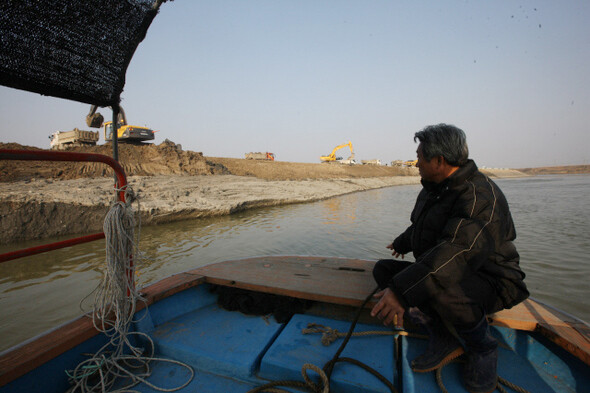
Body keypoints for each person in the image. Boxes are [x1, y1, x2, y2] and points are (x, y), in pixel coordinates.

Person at [370, 124, 528, 393]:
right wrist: (402, 243)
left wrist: (401, 292)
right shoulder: (435, 187)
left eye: (419, 156)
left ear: (439, 161)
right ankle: (441, 335)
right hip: (449, 269)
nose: (415, 163)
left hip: (492, 279)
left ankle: (482, 347)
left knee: (435, 289)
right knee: (384, 270)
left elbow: (457, 252)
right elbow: (422, 227)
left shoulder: (480, 196)